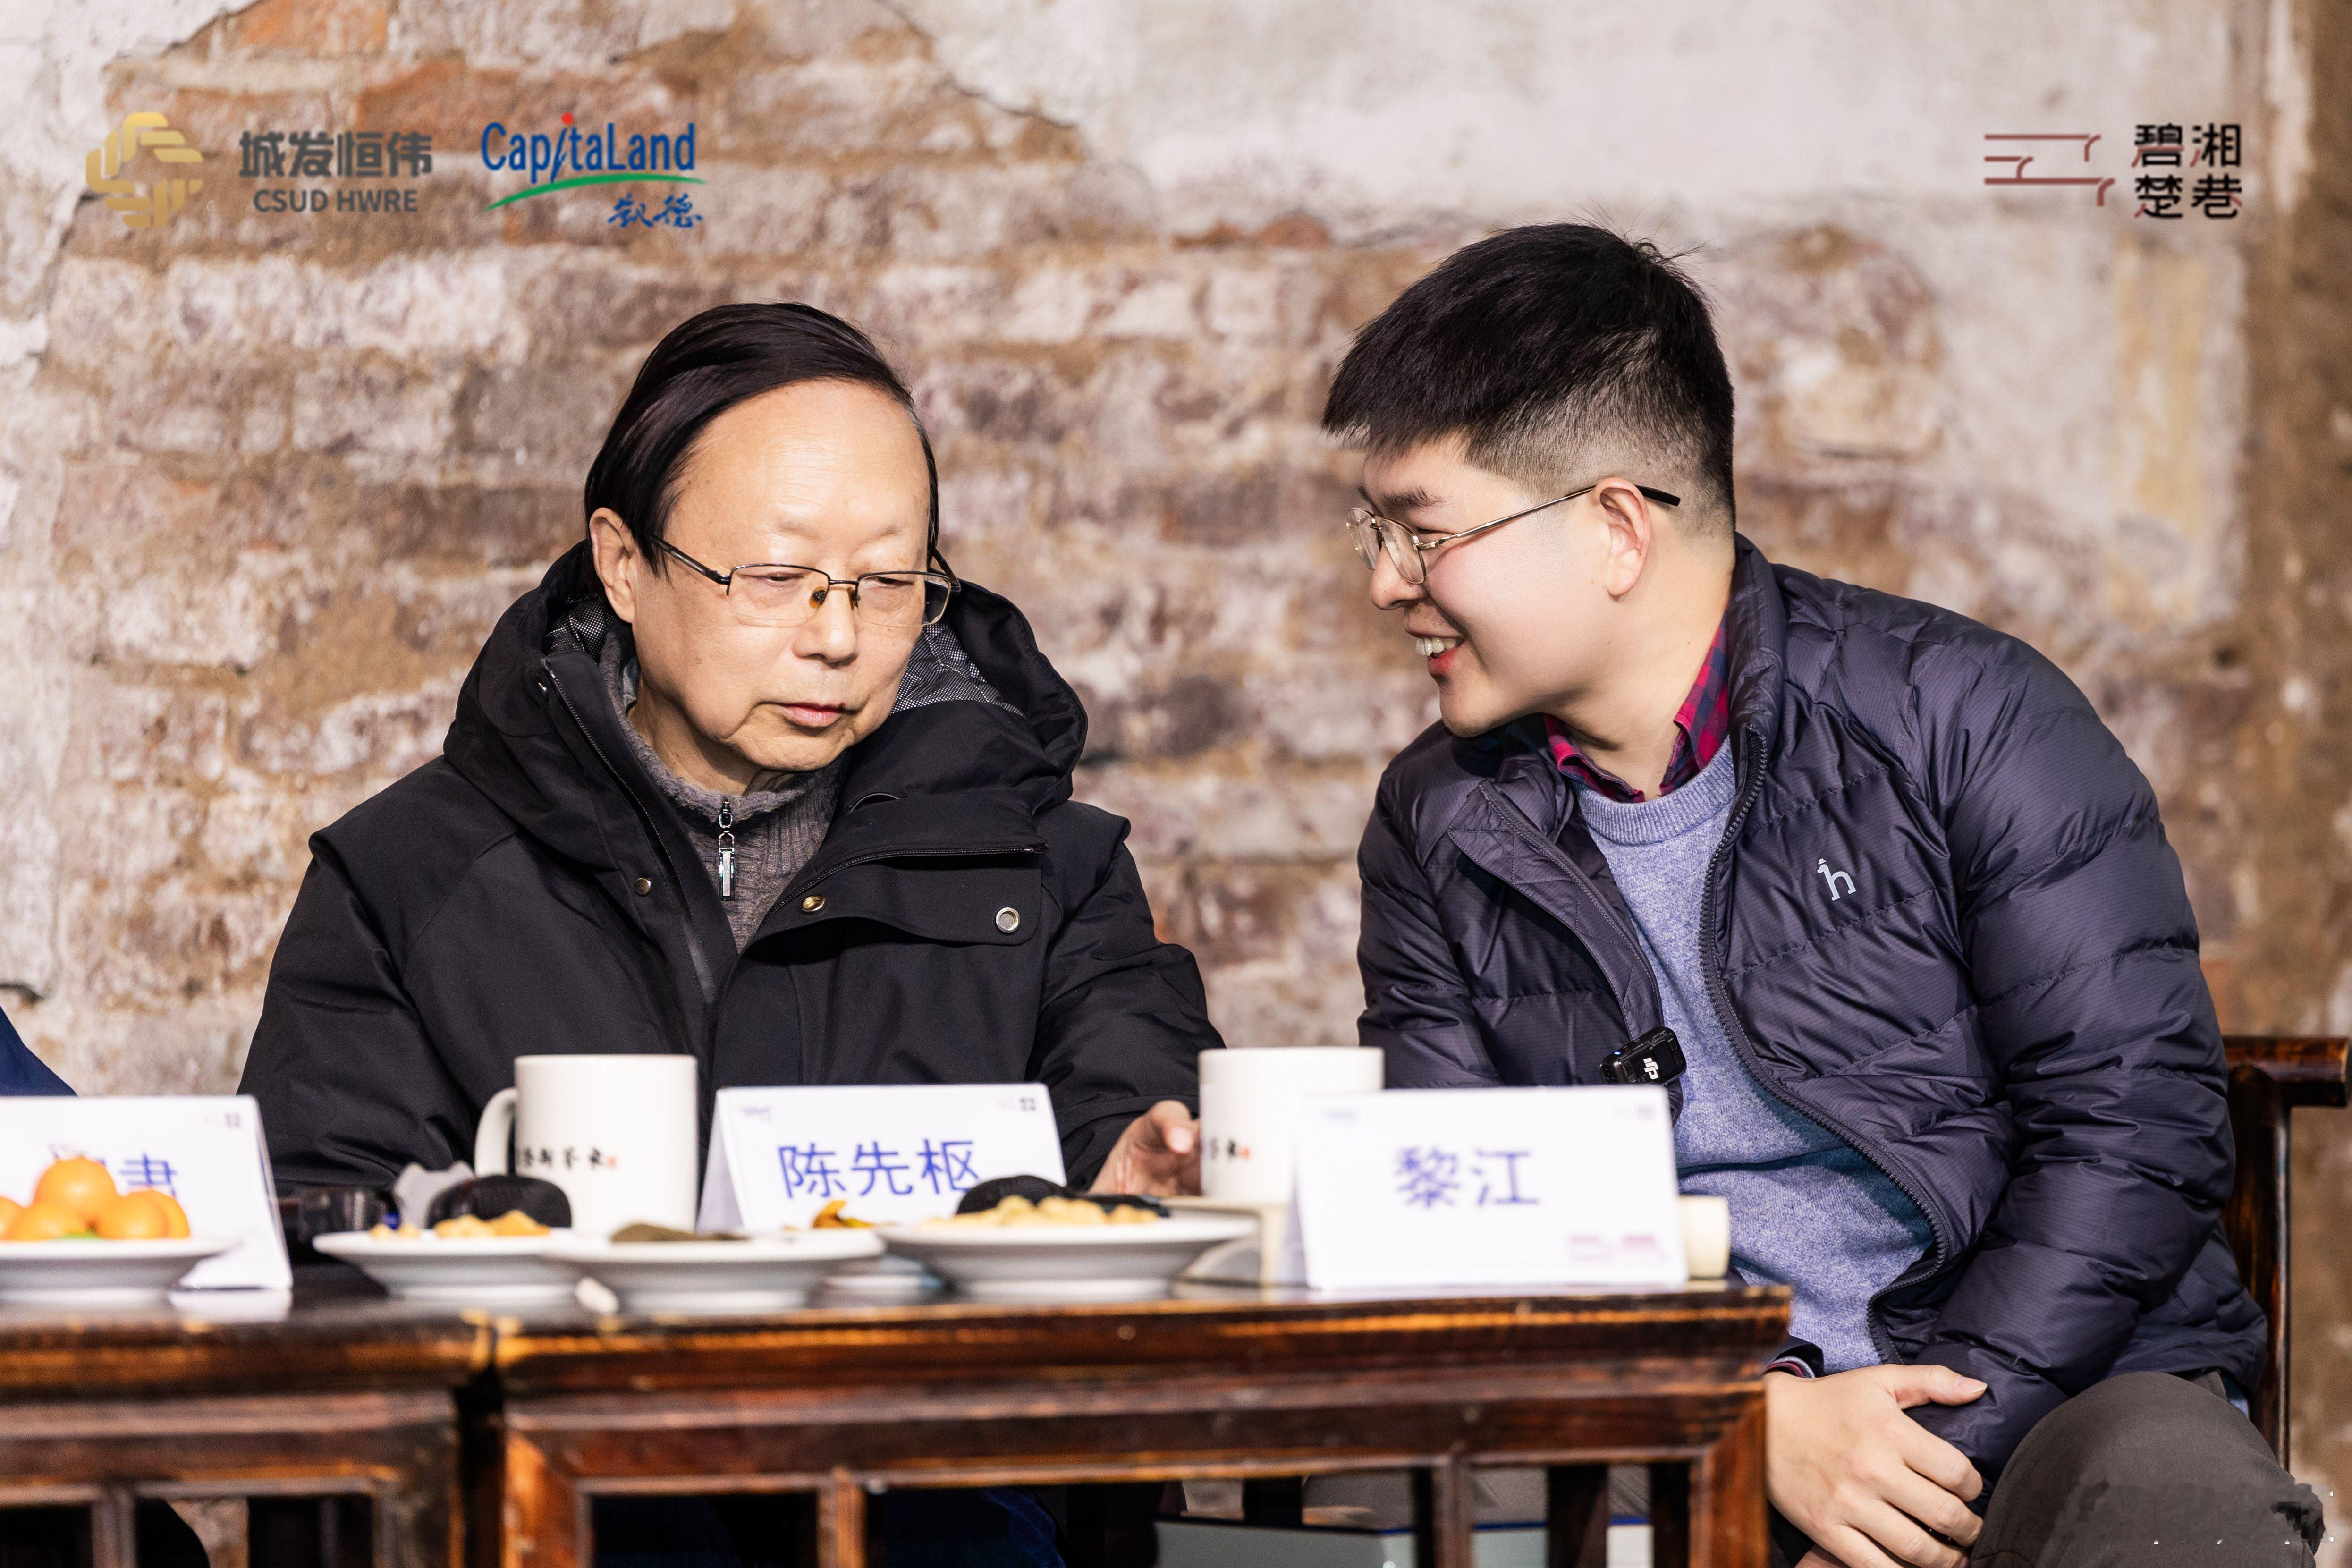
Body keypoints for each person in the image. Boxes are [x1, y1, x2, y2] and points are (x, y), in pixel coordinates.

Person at [1332, 225, 2324, 1568]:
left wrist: (1899, 1467)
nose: (1385, 582)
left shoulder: (1963, 714)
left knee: (2175, 1498)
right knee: (1394, 1502)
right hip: (1673, 1418)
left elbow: (2133, 1128)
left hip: (2034, 1394)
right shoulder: (1439, 818)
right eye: (1375, 531)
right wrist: (1749, 1425)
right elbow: (1462, 1217)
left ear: (1615, 527)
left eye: (1424, 532)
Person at [241, 302, 1212, 1199]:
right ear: (624, 564)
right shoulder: (405, 878)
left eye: (887, 582)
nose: (837, 637)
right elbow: (323, 1219)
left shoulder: (1048, 869)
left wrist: (1134, 1172)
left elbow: (1128, 1106)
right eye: (778, 577)